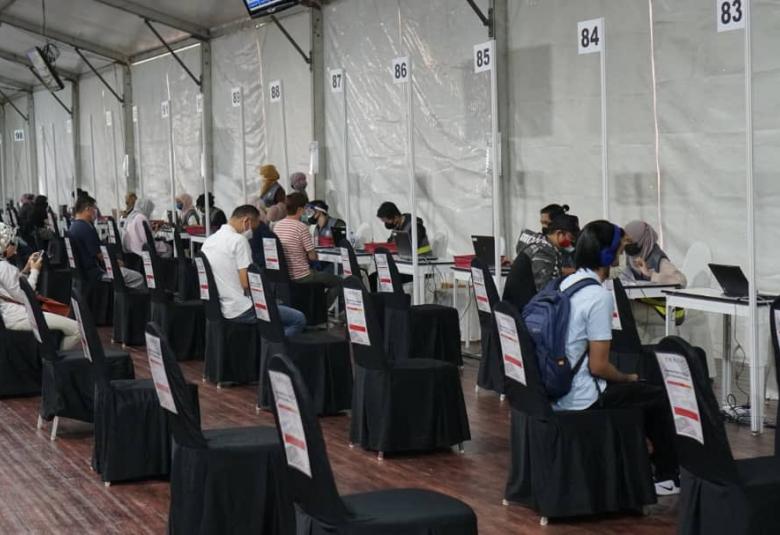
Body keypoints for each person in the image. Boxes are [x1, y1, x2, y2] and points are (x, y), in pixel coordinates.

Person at [556, 219, 679, 496]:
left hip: (557, 389)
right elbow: (598, 366)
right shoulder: (598, 296)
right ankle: (668, 475)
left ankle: (638, 461)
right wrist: (628, 377)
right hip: (583, 397)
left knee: (638, 392)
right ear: (608, 256)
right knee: (656, 395)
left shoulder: (567, 283)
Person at [201, 205, 305, 336]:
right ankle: (275, 349)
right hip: (241, 308)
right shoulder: (239, 241)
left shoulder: (209, 241)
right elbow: (246, 283)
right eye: (254, 227)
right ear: (246, 221)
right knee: (298, 319)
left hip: (220, 307)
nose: (252, 232)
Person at [0, 223, 80, 350]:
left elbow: (10, 287)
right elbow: (26, 295)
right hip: (17, 316)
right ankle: (52, 361)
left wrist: (26, 269)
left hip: (8, 316)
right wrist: (35, 270)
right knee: (77, 329)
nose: (14, 246)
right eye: (12, 243)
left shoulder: (4, 267)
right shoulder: (4, 268)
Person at [274, 193, 342, 307]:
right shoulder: (301, 227)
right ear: (300, 209)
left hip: (284, 274)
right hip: (302, 275)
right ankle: (321, 309)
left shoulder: (277, 226)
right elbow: (312, 256)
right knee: (339, 282)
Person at [68, 196, 145, 290]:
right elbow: (100, 255)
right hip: (96, 273)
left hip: (84, 274)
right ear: (87, 209)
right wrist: (116, 262)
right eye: (94, 209)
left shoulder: (73, 226)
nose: (95, 212)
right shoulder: (85, 228)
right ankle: (126, 302)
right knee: (138, 278)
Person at [515, 213, 580, 290]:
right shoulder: (544, 251)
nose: (572, 242)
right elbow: (544, 288)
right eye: (571, 238)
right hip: (526, 300)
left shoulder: (546, 245)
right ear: (559, 233)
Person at [622, 220, 686, 286]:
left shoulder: (657, 259)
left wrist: (650, 274)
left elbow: (681, 282)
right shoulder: (629, 257)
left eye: (631, 242)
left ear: (644, 240)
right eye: (625, 241)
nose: (627, 245)